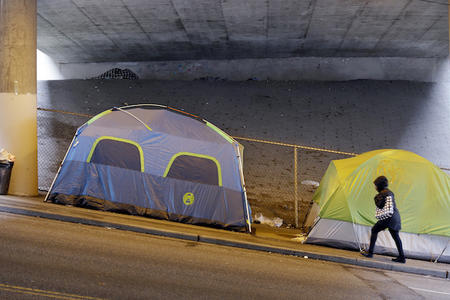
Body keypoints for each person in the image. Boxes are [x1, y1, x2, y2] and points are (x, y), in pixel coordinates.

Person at [361, 175, 406, 263]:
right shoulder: (390, 192)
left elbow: (380, 205)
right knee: (396, 237)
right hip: (395, 217)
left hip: (388, 218)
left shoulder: (383, 193)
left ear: (379, 185)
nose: (375, 187)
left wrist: (376, 198)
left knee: (374, 230)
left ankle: (370, 253)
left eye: (375, 185)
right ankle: (402, 257)